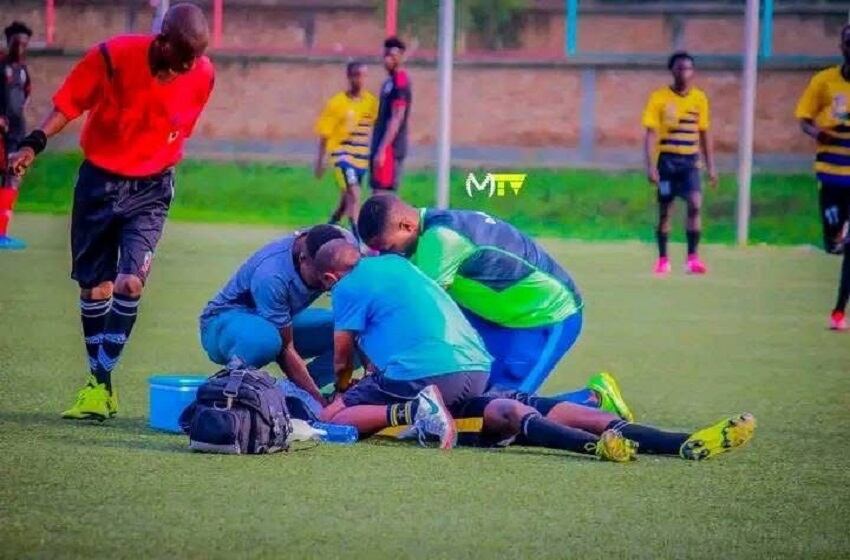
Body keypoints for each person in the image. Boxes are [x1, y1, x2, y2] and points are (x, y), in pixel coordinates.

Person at [8, 4, 215, 420]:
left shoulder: (202, 74)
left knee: (130, 282)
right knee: (96, 288)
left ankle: (99, 380)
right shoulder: (112, 56)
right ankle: (99, 386)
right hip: (99, 184)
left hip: (152, 187)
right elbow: (69, 103)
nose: (186, 68)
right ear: (163, 41)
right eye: (180, 59)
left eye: (193, 60)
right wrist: (34, 142)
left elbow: (180, 124)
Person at [356, 194, 634, 421]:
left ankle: (595, 398)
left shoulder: (440, 240)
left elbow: (417, 310)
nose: (389, 255)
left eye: (388, 248)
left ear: (406, 226)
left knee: (502, 413)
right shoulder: (427, 229)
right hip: (496, 319)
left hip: (546, 317)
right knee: (468, 400)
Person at [315, 240, 491, 450]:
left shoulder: (345, 286)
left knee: (330, 419)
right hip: (478, 371)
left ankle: (418, 410)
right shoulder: (397, 263)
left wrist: (342, 389)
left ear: (329, 277)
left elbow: (342, 360)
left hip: (427, 373)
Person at [200, 225, 349, 406]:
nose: (329, 283)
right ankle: (230, 390)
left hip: (281, 320)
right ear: (303, 259)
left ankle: (296, 394)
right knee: (265, 340)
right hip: (226, 324)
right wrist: (320, 404)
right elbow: (286, 348)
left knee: (353, 332)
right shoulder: (272, 275)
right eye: (322, 277)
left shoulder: (345, 248)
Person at [454, 393, 756, 462]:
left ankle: (688, 443)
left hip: (498, 387)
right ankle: (596, 447)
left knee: (596, 417)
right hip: (458, 406)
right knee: (511, 412)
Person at [795, 23, 850, 331]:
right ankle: (837, 236)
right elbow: (804, 118)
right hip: (830, 174)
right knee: (834, 245)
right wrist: (818, 133)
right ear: (842, 47)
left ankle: (839, 311)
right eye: (849, 42)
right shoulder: (824, 82)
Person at [642, 51, 717, 276]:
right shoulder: (659, 98)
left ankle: (692, 258)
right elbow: (650, 134)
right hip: (667, 162)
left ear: (692, 72)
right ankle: (663, 259)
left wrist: (711, 165)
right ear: (672, 70)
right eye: (679, 68)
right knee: (665, 211)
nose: (684, 72)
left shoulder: (699, 99)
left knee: (695, 204)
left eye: (688, 68)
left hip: (690, 162)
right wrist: (651, 166)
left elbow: (704, 132)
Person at [314, 61, 378, 241]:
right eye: (357, 75)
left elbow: (377, 125)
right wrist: (320, 161)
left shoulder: (371, 102)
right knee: (355, 194)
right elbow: (324, 134)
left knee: (346, 200)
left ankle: (330, 226)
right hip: (342, 156)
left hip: (360, 158)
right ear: (349, 77)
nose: (361, 80)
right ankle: (358, 239)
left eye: (364, 75)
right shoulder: (337, 103)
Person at [0, 21, 32, 250]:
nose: (20, 48)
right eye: (16, 43)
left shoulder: (23, 71)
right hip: (2, 132)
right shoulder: (1, 67)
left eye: (24, 44)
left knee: (13, 177)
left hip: (17, 132)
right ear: (8, 42)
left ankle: (2, 232)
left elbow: (26, 95)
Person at [369, 37, 411, 193]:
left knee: (384, 195)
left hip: (390, 148)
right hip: (381, 143)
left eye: (392, 56)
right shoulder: (389, 82)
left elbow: (397, 117)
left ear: (400, 57)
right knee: (376, 191)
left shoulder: (400, 81)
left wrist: (383, 149)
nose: (387, 60)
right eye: (385, 56)